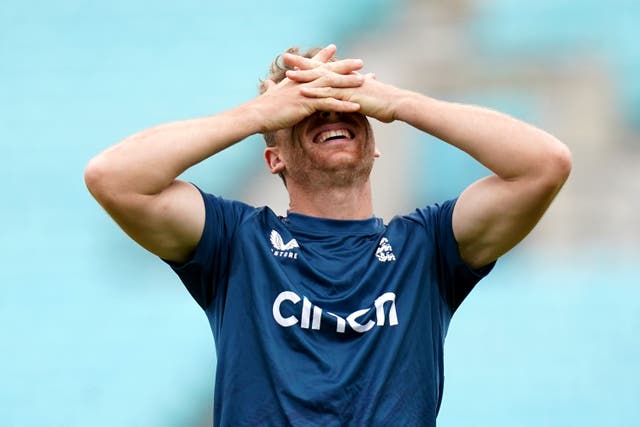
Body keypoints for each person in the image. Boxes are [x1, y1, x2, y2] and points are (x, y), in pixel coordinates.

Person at [84, 44, 572, 426]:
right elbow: (113, 176)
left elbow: (543, 165)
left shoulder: (427, 247)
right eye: (306, 109)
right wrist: (254, 115)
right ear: (274, 156)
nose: (332, 113)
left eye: (346, 103)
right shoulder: (235, 243)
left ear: (374, 145)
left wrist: (399, 102)